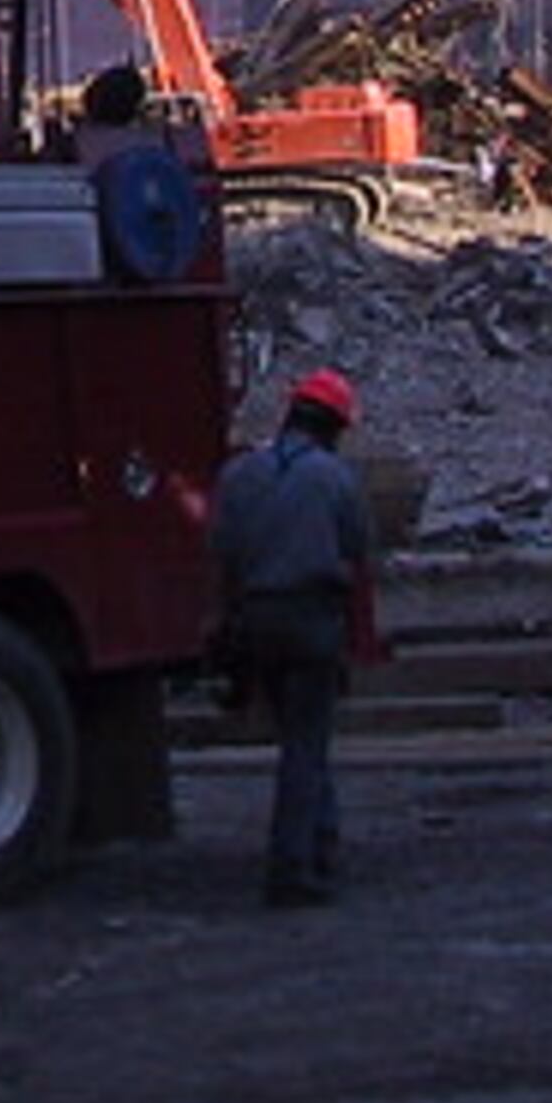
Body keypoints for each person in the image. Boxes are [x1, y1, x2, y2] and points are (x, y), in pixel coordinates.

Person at [209, 367, 375, 907]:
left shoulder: (239, 475)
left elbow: (221, 554)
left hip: (256, 619)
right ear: (334, 425)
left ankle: (321, 843)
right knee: (306, 745)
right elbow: (359, 554)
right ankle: (293, 866)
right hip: (311, 620)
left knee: (300, 737)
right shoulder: (335, 479)